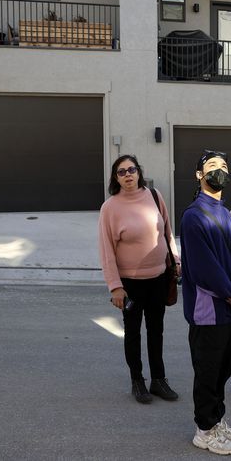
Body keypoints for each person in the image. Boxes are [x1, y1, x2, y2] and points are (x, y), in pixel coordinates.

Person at [180, 150, 231, 456]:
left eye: (224, 166)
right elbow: (203, 267)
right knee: (208, 371)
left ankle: (217, 419)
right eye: (212, 167)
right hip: (207, 310)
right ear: (200, 175)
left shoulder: (224, 212)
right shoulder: (194, 216)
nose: (219, 171)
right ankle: (204, 430)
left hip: (227, 306)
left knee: (223, 369)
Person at [98, 154, 180, 404]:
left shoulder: (155, 196)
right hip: (130, 284)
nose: (128, 175)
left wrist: (175, 261)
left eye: (131, 169)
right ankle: (137, 381)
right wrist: (115, 287)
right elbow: (106, 251)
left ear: (139, 172)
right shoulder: (110, 208)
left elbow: (167, 231)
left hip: (158, 277)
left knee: (157, 331)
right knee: (133, 333)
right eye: (121, 172)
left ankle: (158, 380)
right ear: (116, 178)